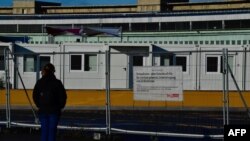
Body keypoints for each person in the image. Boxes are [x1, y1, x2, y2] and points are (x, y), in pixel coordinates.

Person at [33, 63, 67, 141]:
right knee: (52, 131)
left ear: (44, 71)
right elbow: (63, 96)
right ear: (53, 71)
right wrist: (60, 107)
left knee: (44, 130)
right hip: (54, 111)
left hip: (43, 110)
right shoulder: (57, 83)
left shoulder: (39, 82)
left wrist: (39, 105)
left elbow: (35, 96)